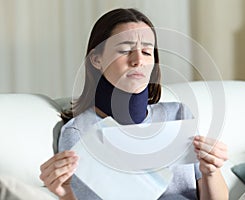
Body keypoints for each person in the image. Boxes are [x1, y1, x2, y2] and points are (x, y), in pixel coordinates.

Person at [39, 8, 228, 200]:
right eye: (124, 50)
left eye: (147, 51)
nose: (138, 60)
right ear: (96, 59)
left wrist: (211, 172)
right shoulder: (80, 132)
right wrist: (66, 195)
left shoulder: (179, 115)